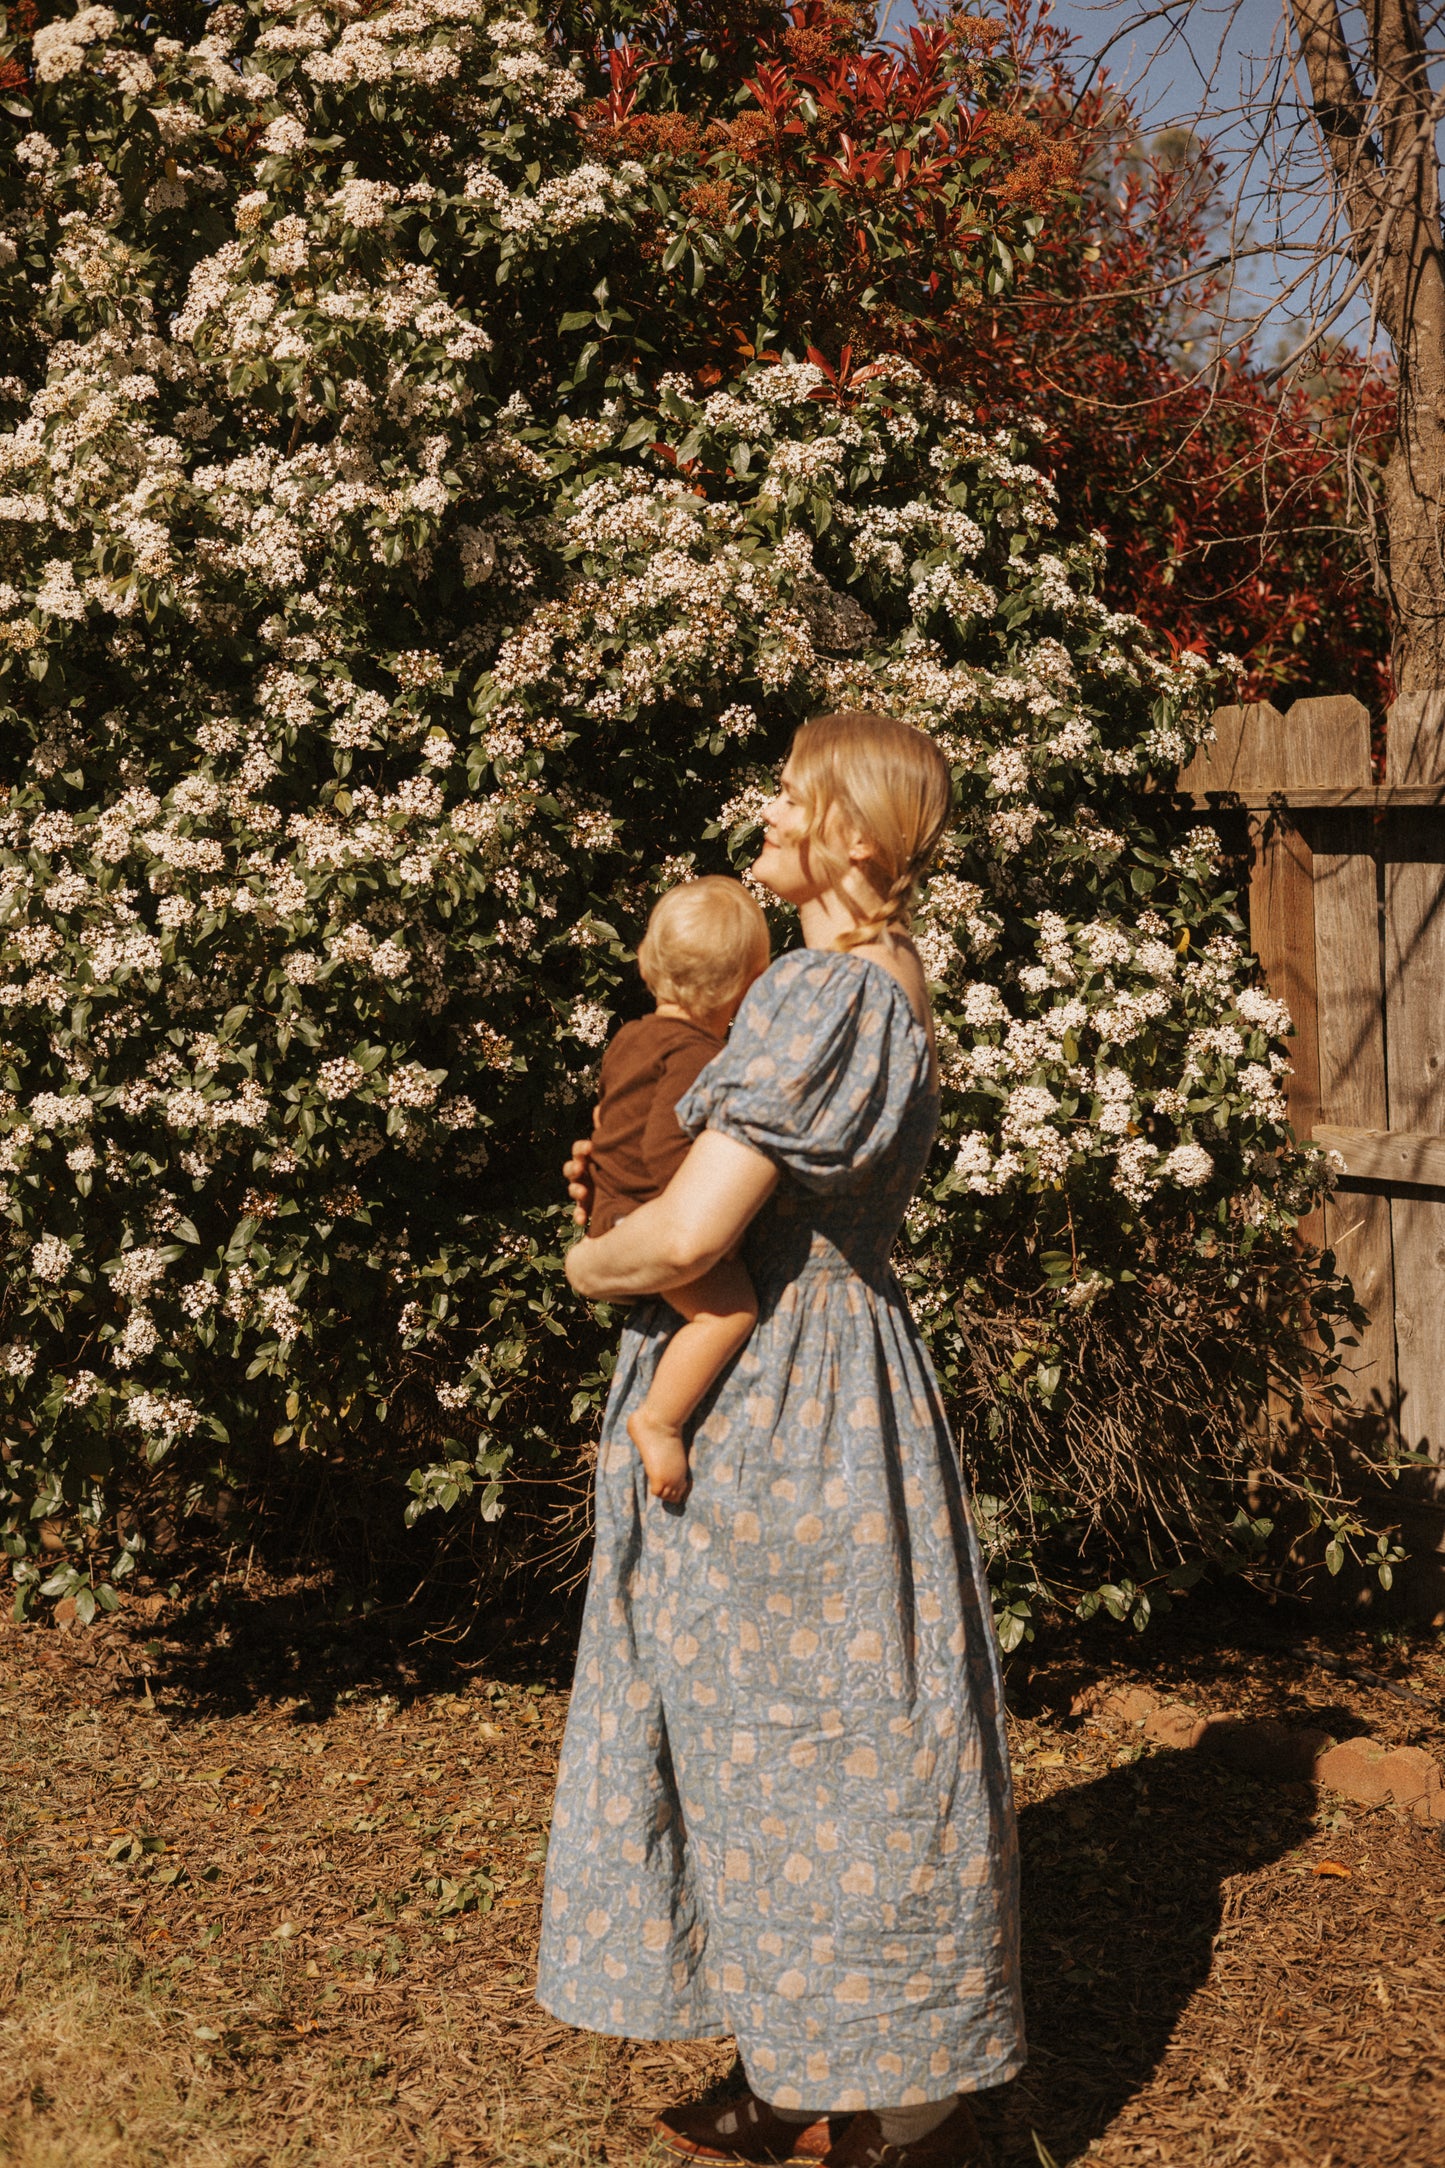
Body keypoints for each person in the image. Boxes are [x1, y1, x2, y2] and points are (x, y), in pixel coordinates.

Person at [536, 710, 1024, 2168]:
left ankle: (897, 2103)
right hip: (831, 1378)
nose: (768, 808)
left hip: (786, 1401)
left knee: (817, 1745)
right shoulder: (875, 985)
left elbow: (693, 1232)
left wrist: (584, 1260)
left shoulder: (821, 996)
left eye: (795, 796)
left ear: (855, 838)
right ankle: (805, 2067)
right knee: (783, 1741)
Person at [586, 877, 771, 1504]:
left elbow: (612, 1126)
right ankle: (660, 1420)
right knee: (730, 1312)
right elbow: (666, 1148)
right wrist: (712, 1216)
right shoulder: (696, 1053)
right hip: (649, 1217)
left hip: (616, 1211)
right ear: (743, 987)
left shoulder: (631, 1036)